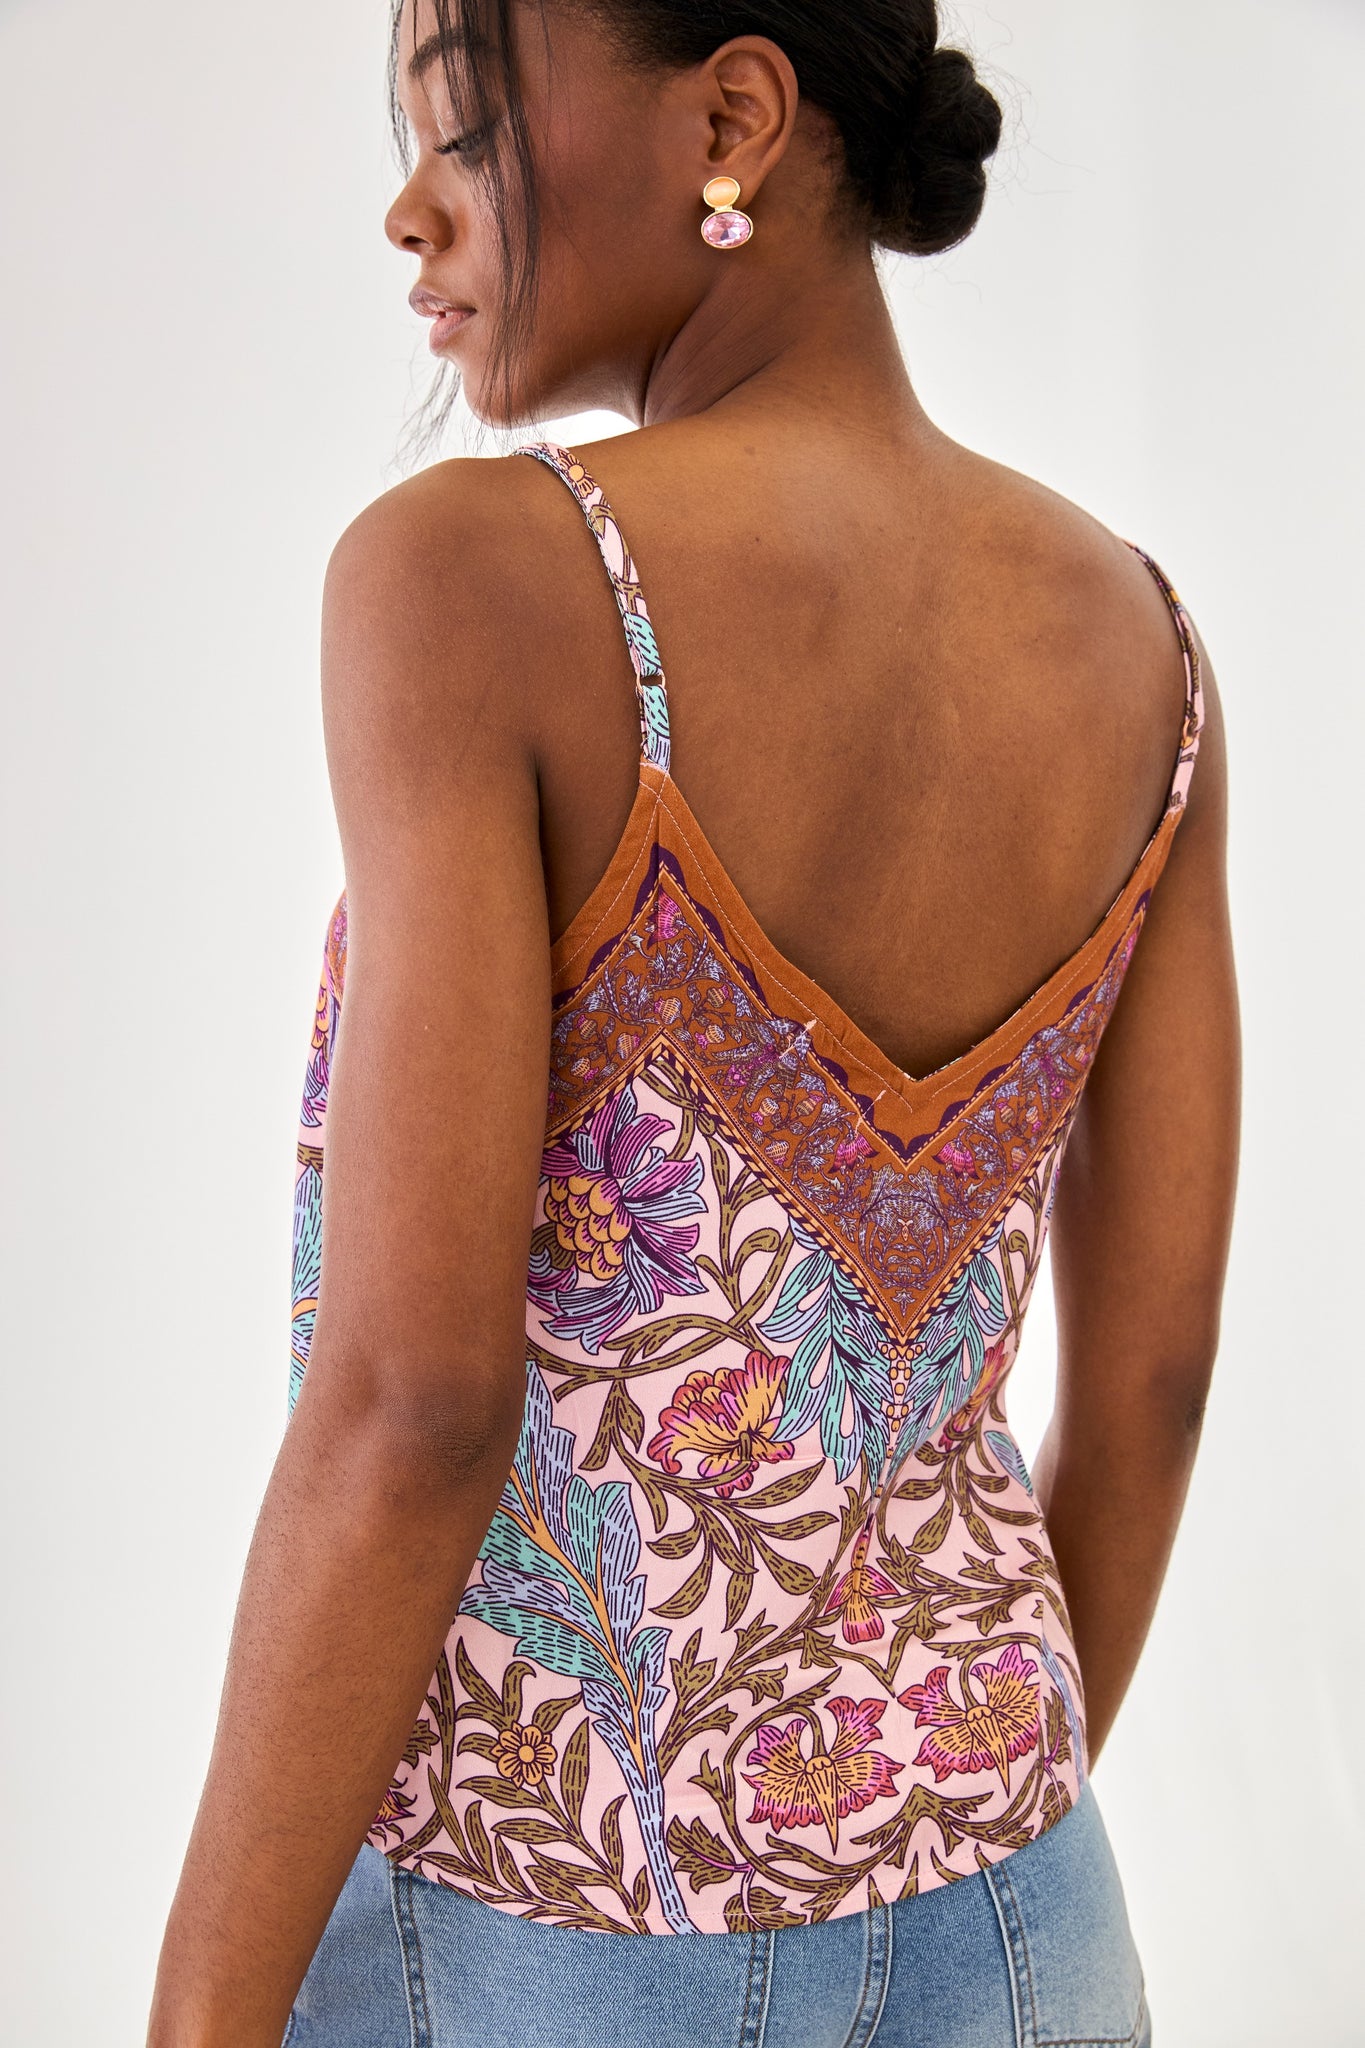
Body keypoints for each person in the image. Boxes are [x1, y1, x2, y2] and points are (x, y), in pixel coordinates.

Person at [147, 1, 1240, 2042]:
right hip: (1021, 1915)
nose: (409, 212)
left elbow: (415, 1402)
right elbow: (1155, 1376)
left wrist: (193, 2019)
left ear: (732, 115)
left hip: (547, 1946)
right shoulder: (1142, 644)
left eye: (460, 124)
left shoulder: (474, 581)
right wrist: (935, 1809)